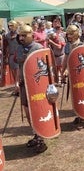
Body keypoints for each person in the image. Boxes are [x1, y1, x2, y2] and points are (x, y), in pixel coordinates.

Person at [15, 25, 47, 153]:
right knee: (28, 112)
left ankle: (41, 138)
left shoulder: (38, 48)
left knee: (37, 111)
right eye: (20, 36)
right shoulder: (19, 49)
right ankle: (36, 134)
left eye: (24, 35)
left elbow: (44, 69)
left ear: (31, 35)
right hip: (24, 86)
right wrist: (17, 81)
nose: (21, 38)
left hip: (36, 87)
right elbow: (19, 66)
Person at [61, 24, 84, 128]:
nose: (69, 36)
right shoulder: (68, 45)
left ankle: (82, 115)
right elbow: (66, 58)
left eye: (71, 34)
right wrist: (63, 71)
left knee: (81, 94)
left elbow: (81, 61)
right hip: (72, 74)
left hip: (80, 73)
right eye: (68, 34)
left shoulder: (81, 45)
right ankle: (78, 114)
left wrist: (68, 69)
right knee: (74, 95)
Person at [4, 20, 20, 95]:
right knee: (13, 72)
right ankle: (16, 86)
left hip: (18, 55)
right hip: (11, 55)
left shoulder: (19, 35)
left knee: (18, 71)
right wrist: (5, 57)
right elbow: (6, 47)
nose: (10, 27)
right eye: (9, 26)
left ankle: (17, 86)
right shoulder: (7, 36)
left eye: (12, 26)